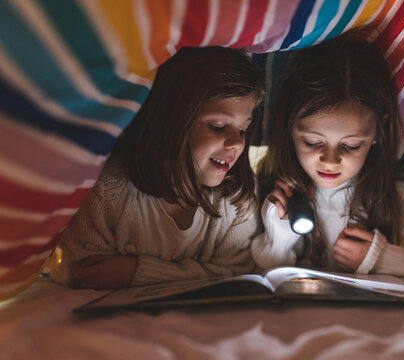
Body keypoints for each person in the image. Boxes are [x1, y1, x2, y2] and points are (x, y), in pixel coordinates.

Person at [251, 29, 404, 279]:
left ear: (377, 131)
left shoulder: (400, 200)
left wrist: (383, 258)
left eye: (351, 145)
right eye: (313, 142)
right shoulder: (274, 194)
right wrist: (278, 239)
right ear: (289, 129)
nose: (331, 160)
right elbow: (268, 282)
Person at [50, 46, 264, 289]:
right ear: (170, 121)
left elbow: (238, 273)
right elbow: (85, 274)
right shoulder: (106, 191)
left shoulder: (237, 198)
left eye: (243, 129)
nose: (237, 143)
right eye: (217, 125)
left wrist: (138, 273)